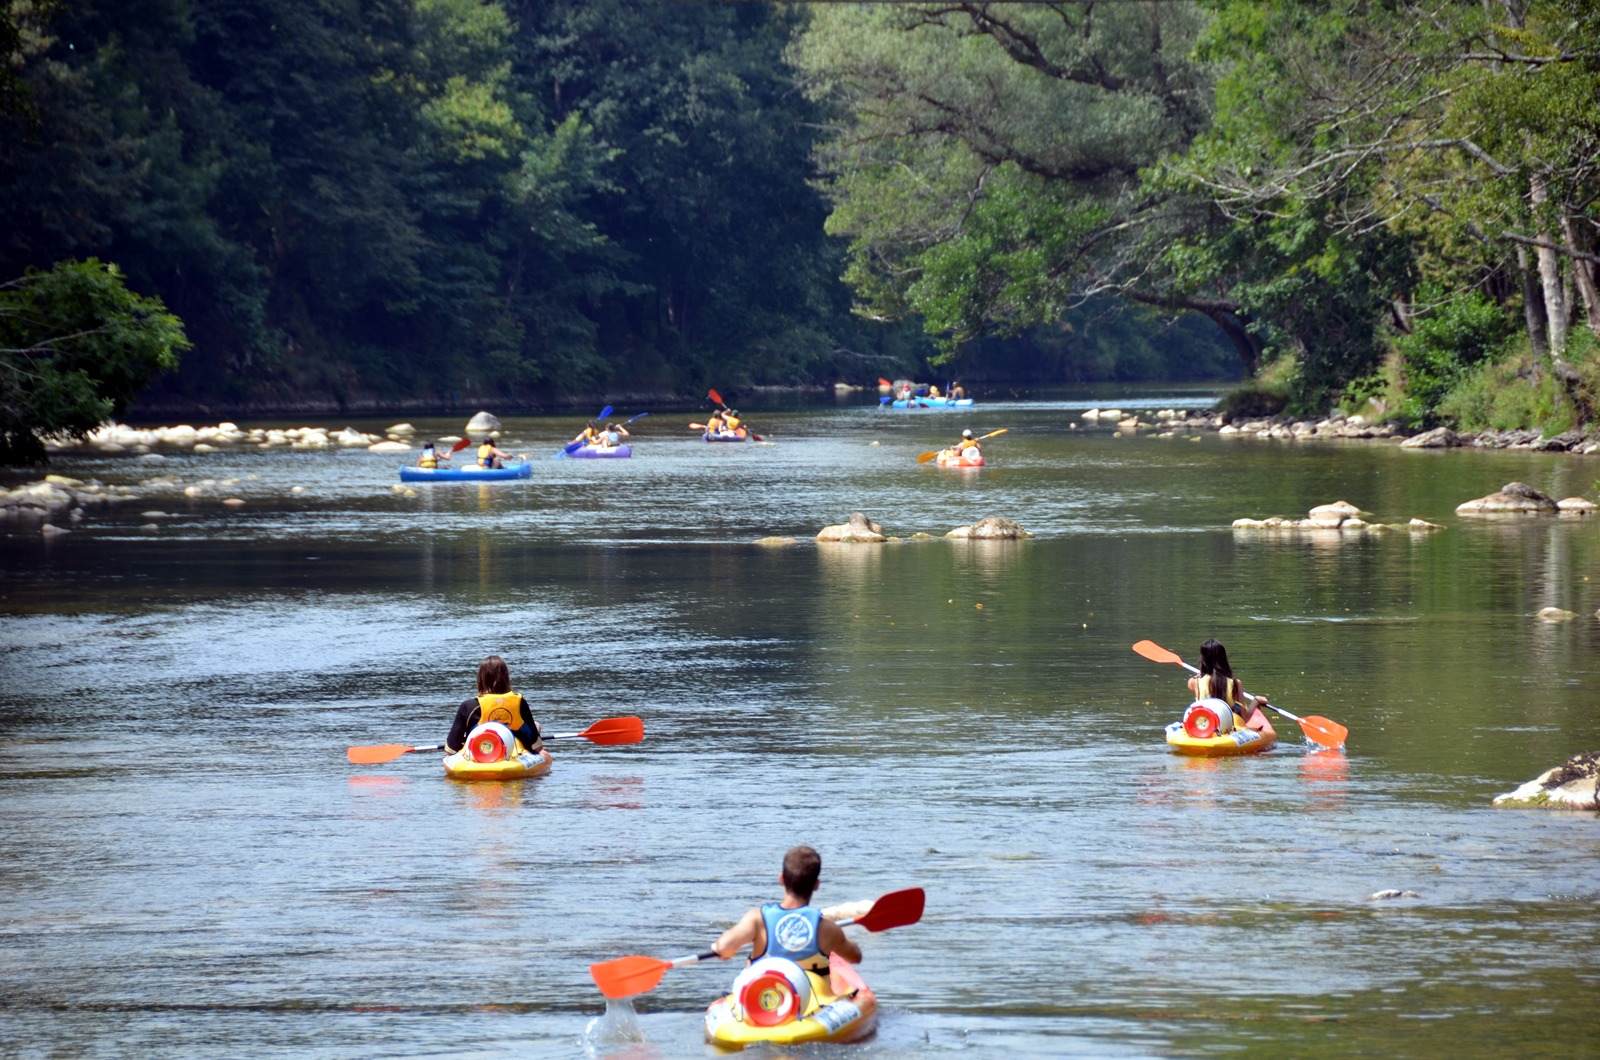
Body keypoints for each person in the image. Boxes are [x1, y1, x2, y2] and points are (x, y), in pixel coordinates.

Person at [713, 846, 862, 975]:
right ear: (816, 885)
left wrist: (722, 949)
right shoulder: (828, 929)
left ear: (781, 879)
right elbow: (855, 956)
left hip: (768, 997)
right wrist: (841, 938)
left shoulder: (757, 920)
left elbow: (725, 947)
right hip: (809, 1000)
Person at [446, 655, 543, 754]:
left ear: (481, 679)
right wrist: (537, 729)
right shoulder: (519, 703)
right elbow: (537, 747)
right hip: (514, 754)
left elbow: (451, 749)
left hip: (480, 752)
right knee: (536, 725)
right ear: (506, 677)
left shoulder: (468, 707)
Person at [1186, 638, 1272, 732]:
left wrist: (1202, 673)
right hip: (1227, 724)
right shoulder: (1235, 683)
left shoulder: (1194, 682)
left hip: (1204, 722)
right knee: (1237, 707)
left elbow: (1195, 685)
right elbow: (1245, 718)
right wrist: (1256, 701)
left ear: (1203, 659)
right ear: (1224, 659)